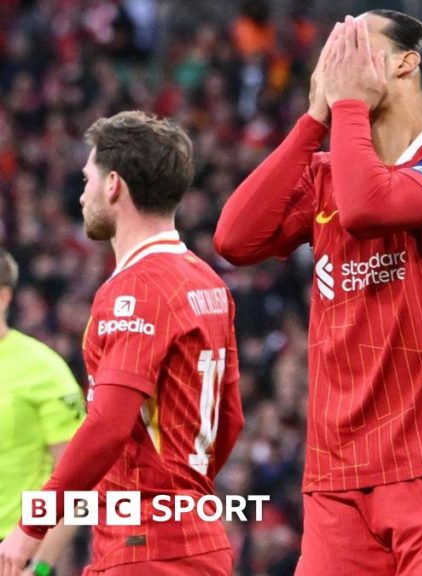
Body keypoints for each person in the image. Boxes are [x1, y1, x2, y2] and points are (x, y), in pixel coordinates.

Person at [214, 11, 422, 576]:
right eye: (334, 51)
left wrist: (347, 107)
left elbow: (370, 208)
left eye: (354, 46)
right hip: (339, 471)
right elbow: (234, 238)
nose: (337, 63)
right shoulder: (327, 170)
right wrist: (312, 121)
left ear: (407, 63)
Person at [0, 111, 244, 576]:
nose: (81, 193)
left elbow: (108, 425)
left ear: (113, 185)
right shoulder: (208, 281)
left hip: (145, 547)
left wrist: (31, 525)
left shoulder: (137, 288)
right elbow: (230, 419)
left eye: (86, 179)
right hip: (197, 541)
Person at [0, 250, 85, 576]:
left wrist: (39, 567)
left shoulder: (44, 371)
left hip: (14, 555)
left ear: (4, 296)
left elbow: (79, 484)